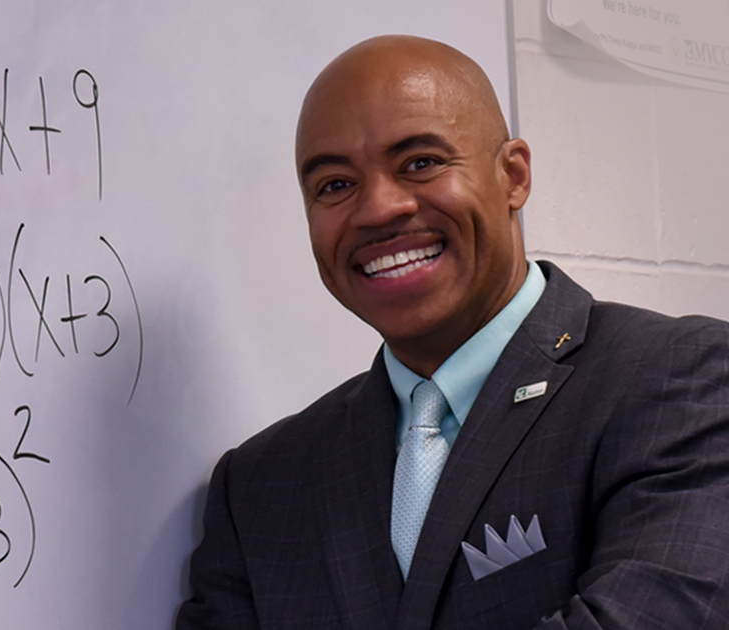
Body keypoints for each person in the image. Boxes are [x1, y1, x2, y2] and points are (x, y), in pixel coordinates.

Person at [176, 35, 729, 629]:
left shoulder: (680, 381)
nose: (378, 208)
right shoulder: (259, 485)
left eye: (420, 163)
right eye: (335, 185)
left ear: (513, 176)